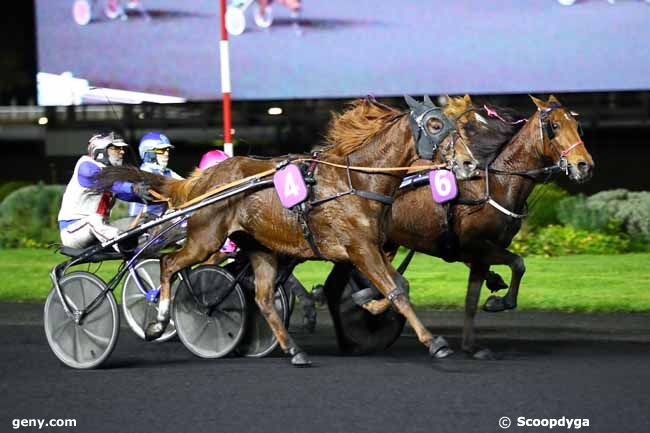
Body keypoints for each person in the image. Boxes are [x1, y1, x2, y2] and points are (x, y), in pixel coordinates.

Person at [57, 132, 153, 249]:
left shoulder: (110, 174)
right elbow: (108, 182)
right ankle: (124, 248)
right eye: (116, 148)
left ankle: (144, 257)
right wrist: (132, 187)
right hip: (73, 233)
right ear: (100, 150)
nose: (122, 152)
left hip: (100, 231)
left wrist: (151, 196)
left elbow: (125, 193)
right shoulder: (86, 166)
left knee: (147, 220)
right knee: (94, 219)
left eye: (122, 148)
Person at [128, 132, 182, 220]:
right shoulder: (144, 173)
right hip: (142, 221)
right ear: (149, 153)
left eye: (167, 150)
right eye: (161, 150)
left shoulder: (167, 172)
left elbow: (186, 185)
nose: (166, 154)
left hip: (160, 219)